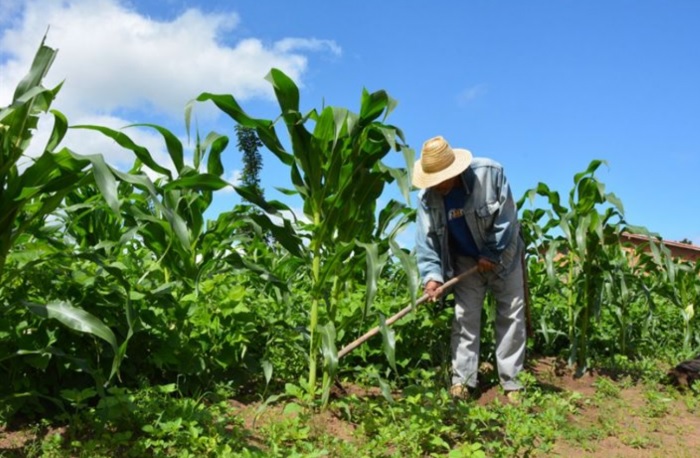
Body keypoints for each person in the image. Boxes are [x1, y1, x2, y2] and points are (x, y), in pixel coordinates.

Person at [413, 135, 526, 401]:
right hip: (464, 260)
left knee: (510, 315)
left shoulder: (490, 174)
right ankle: (462, 382)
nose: (437, 185)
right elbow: (427, 242)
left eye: (442, 178)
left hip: (505, 256)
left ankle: (512, 383)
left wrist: (491, 252)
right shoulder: (428, 199)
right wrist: (432, 277)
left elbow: (507, 218)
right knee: (465, 318)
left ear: (455, 170)